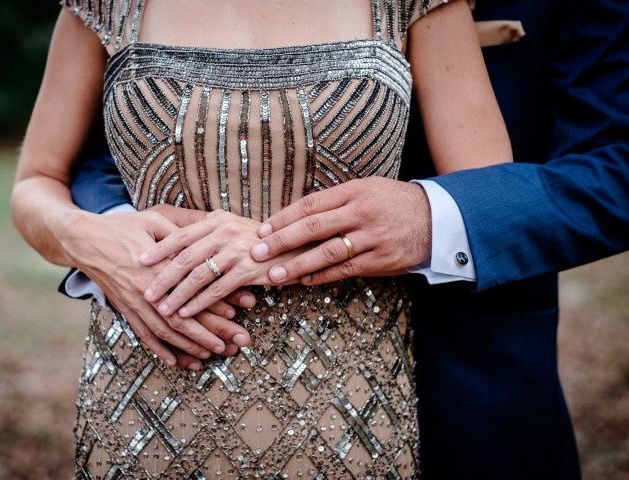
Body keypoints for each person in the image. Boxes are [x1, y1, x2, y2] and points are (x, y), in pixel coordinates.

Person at [60, 1, 629, 479]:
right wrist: (122, 241)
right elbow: (101, 148)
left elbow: (616, 164)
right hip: (166, 365)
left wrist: (437, 215)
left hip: (459, 374)